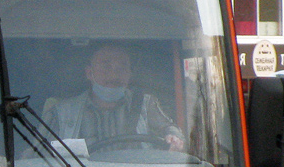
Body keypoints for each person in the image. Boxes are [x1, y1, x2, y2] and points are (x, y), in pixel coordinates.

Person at [46, 41, 185, 152]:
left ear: (130, 75)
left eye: (122, 68)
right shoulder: (61, 112)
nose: (113, 75)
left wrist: (174, 138)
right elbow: (37, 158)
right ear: (89, 73)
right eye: (106, 67)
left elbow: (170, 129)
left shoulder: (145, 105)